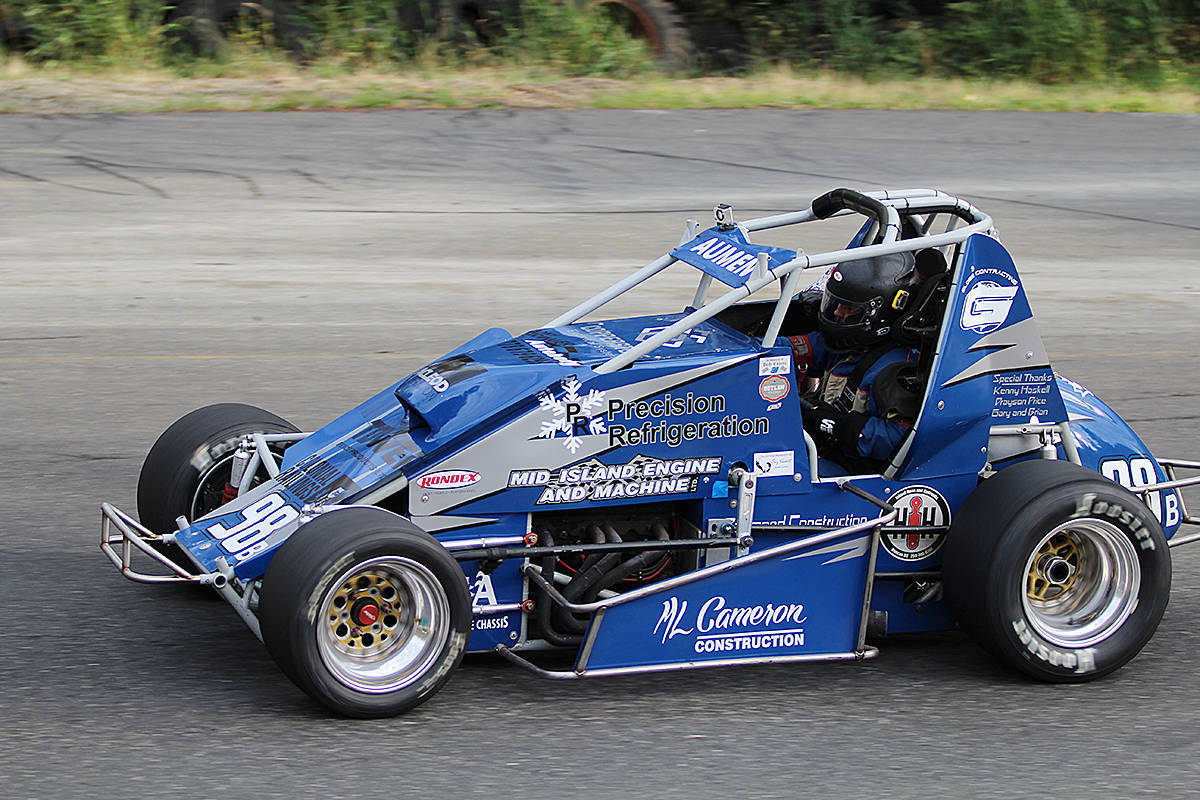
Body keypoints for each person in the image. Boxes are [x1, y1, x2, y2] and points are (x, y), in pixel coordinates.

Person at [786, 251, 925, 474]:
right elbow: (798, 349)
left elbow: (899, 438)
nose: (838, 313)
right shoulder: (846, 345)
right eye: (835, 303)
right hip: (823, 450)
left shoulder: (896, 370)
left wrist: (834, 424)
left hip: (852, 471)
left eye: (850, 308)